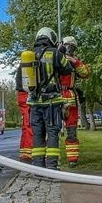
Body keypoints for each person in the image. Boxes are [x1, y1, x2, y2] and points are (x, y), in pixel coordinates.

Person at [25, 27, 73, 170]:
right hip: (51, 103)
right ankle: (52, 168)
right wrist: (61, 53)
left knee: (38, 134)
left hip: (34, 103)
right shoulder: (55, 53)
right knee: (52, 133)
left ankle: (38, 168)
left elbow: (21, 82)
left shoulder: (29, 55)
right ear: (51, 38)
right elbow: (67, 69)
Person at [57, 36, 91, 166]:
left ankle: (72, 159)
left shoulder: (74, 61)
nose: (69, 49)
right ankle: (53, 158)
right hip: (56, 95)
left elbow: (86, 73)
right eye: (67, 46)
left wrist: (75, 62)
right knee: (53, 130)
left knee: (71, 130)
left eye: (72, 47)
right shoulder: (55, 57)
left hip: (70, 96)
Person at [14, 65, 32, 162]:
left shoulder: (23, 64)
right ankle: (28, 154)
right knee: (30, 124)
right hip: (27, 95)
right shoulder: (31, 63)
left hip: (22, 94)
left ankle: (25, 153)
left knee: (26, 125)